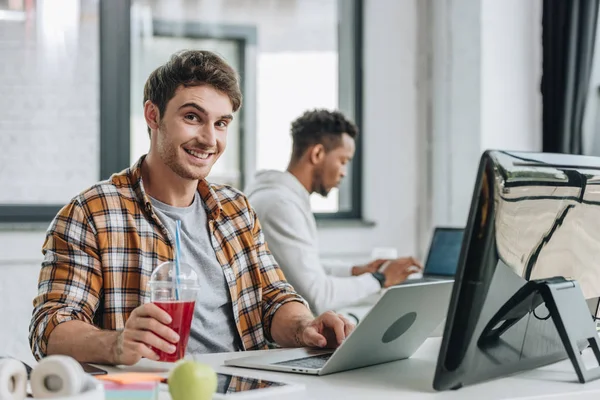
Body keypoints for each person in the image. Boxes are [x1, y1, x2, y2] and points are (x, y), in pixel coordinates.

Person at [29, 51, 354, 366]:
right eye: (192, 117)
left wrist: (304, 327)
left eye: (221, 123)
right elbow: (49, 328)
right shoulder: (91, 213)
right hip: (148, 394)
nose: (209, 139)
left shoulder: (236, 210)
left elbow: (272, 298)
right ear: (153, 115)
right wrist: (116, 343)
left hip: (241, 390)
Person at [245, 109, 422, 316]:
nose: (344, 172)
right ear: (317, 154)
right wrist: (380, 279)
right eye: (343, 161)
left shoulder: (277, 196)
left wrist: (357, 271)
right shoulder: (280, 206)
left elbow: (303, 267)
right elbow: (317, 297)